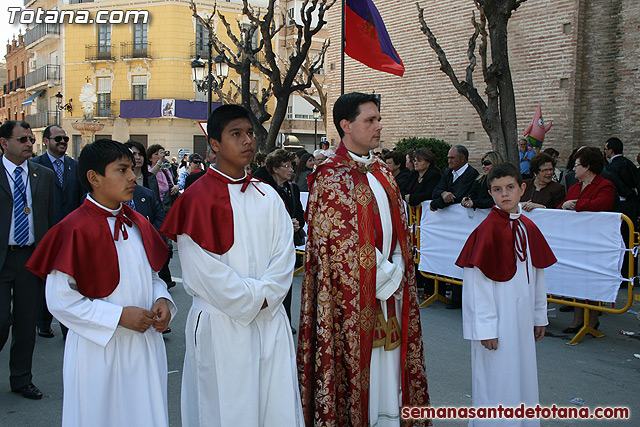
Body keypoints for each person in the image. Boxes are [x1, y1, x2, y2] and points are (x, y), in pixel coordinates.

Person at [160, 105, 303, 426]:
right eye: (235, 134)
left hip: (270, 320)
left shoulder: (267, 194)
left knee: (274, 408)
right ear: (213, 144)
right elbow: (201, 271)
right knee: (227, 411)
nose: (247, 141)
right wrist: (257, 298)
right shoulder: (195, 199)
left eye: (250, 133)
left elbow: (284, 255)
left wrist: (269, 296)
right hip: (222, 323)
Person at [298, 92, 430, 426]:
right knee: (358, 370)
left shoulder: (383, 172)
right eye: (370, 120)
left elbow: (400, 227)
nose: (378, 126)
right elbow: (336, 242)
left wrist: (398, 267)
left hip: (391, 290)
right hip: (351, 300)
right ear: (346, 125)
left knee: (390, 371)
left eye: (378, 119)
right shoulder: (328, 177)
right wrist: (386, 275)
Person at [26, 139, 175, 425]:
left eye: (132, 168)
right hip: (99, 349)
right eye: (122, 169)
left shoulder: (138, 223)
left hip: (144, 347)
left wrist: (162, 300)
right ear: (94, 178)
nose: (132, 176)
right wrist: (118, 316)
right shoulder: (73, 229)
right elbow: (60, 301)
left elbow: (153, 276)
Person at [456, 163, 556, 427]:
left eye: (510, 187)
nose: (505, 194)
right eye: (497, 189)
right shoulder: (485, 232)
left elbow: (537, 277)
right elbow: (477, 287)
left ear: (522, 189)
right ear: (490, 194)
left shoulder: (528, 228)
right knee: (496, 382)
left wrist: (539, 316)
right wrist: (485, 327)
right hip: (497, 325)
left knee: (522, 378)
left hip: (522, 323)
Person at [0, 120, 55, 399]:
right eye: (22, 140)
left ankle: (21, 379)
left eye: (31, 140)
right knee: (1, 321)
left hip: (30, 257)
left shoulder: (42, 175)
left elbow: (50, 217)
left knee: (25, 324)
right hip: (2, 259)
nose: (28, 145)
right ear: (4, 143)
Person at [31, 125, 84, 339]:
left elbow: (81, 197)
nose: (63, 142)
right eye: (58, 138)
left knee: (69, 278)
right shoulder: (34, 166)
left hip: (71, 231)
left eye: (65, 138)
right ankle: (43, 322)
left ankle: (67, 327)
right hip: (45, 231)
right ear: (46, 141)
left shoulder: (75, 166)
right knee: (46, 277)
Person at [559, 146, 615, 333]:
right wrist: (567, 206)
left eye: (577, 165)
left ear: (587, 166)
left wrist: (575, 206)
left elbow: (602, 204)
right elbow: (562, 207)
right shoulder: (574, 187)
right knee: (578, 280)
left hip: (595, 241)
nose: (574, 168)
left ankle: (592, 321)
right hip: (576, 240)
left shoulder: (605, 185)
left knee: (592, 281)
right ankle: (577, 320)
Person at [264, 149, 305, 333]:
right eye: (286, 166)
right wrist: (286, 223)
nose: (290, 170)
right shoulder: (265, 189)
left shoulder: (293, 188)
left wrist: (297, 223)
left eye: (291, 166)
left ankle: (286, 322)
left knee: (287, 287)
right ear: (275, 169)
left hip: (289, 244)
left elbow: (300, 215)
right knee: (271, 285)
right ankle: (270, 323)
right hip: (270, 246)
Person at [431, 144, 479, 211]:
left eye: (452, 158)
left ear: (462, 158)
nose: (449, 161)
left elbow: (457, 196)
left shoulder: (472, 174)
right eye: (448, 158)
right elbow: (435, 191)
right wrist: (443, 193)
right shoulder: (447, 172)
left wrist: (434, 204)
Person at [147, 145, 180, 212]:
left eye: (161, 154)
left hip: (166, 207)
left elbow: (172, 186)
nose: (159, 157)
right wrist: (159, 162)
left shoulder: (166, 171)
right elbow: (151, 176)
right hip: (153, 208)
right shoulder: (148, 171)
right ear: (150, 158)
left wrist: (176, 188)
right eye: (156, 154)